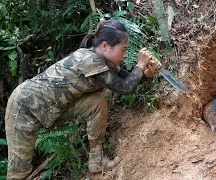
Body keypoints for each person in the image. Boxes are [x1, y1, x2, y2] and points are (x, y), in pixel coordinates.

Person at [5, 19, 162, 179]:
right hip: (24, 106)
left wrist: (146, 73)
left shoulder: (104, 61)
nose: (126, 55)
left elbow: (128, 80)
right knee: (19, 172)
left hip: (54, 107)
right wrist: (140, 65)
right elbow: (125, 88)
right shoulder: (90, 60)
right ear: (105, 46)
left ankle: (97, 161)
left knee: (96, 103)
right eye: (123, 50)